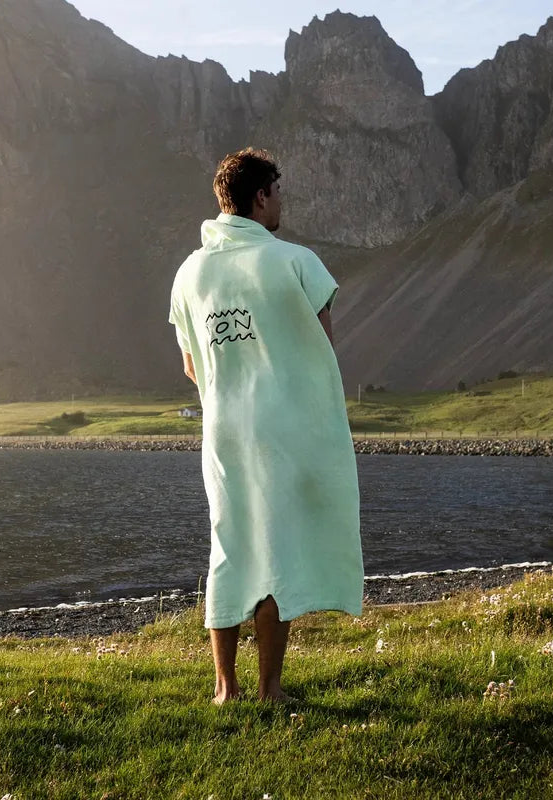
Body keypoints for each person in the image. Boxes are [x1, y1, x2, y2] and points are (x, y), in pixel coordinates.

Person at [168, 147, 363, 704]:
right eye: (277, 193)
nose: (280, 204)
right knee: (277, 548)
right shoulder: (296, 261)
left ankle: (224, 688)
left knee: (230, 544)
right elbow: (323, 348)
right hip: (284, 429)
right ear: (260, 196)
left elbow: (191, 366)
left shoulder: (188, 274)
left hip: (223, 430)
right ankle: (269, 688)